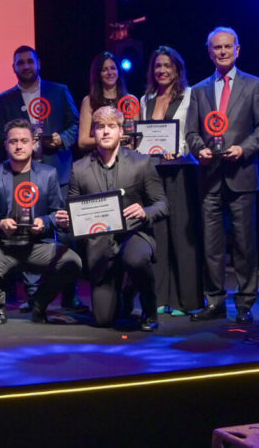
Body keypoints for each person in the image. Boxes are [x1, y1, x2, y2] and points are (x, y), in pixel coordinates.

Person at [56, 106, 167, 330]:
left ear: (120, 131)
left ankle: (149, 306)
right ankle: (124, 293)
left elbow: (162, 204)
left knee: (135, 259)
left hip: (134, 235)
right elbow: (73, 212)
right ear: (93, 132)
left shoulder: (141, 163)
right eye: (100, 127)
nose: (105, 131)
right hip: (100, 245)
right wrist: (66, 222)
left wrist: (145, 212)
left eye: (111, 126)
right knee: (104, 320)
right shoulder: (79, 169)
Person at [0, 45, 82, 312]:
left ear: (38, 63)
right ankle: (33, 295)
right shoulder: (5, 99)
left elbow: (76, 124)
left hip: (58, 170)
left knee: (65, 231)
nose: (25, 66)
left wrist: (61, 139)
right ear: (13, 68)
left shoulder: (59, 90)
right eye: (20, 63)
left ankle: (69, 295)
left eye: (29, 61)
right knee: (26, 230)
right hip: (23, 173)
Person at [0, 119, 81, 324]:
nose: (19, 146)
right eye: (13, 141)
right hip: (2, 244)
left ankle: (40, 303)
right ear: (6, 145)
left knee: (72, 263)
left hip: (37, 244)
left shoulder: (48, 174)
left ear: (34, 144)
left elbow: (57, 213)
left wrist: (44, 221)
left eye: (24, 141)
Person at [185, 27, 259, 323]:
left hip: (242, 175)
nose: (223, 51)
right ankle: (214, 301)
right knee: (211, 244)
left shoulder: (254, 85)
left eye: (228, 46)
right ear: (209, 52)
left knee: (244, 244)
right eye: (217, 47)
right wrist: (199, 149)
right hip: (210, 177)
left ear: (238, 50)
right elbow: (191, 132)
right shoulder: (198, 90)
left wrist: (244, 149)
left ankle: (245, 304)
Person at [139, 46, 203, 315]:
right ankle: (160, 297)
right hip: (153, 171)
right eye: (158, 66)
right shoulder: (145, 99)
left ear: (177, 69)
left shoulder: (190, 95)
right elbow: (142, 136)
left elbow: (193, 131)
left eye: (167, 65)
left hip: (181, 170)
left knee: (181, 234)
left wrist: (181, 150)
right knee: (159, 234)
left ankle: (186, 300)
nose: (162, 70)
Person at [77, 52, 128, 151]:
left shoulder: (129, 101)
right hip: (97, 157)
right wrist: (110, 140)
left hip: (125, 156)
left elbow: (135, 138)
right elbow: (82, 142)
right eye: (104, 70)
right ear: (98, 74)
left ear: (118, 71)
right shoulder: (89, 101)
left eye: (113, 68)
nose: (110, 73)